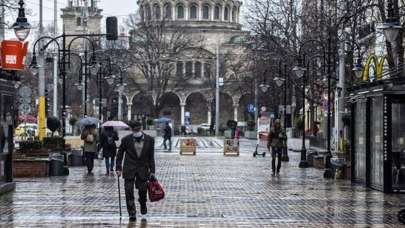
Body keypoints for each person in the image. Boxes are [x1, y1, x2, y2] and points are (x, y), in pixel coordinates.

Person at [116, 120, 156, 222]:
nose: (136, 131)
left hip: (143, 169)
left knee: (143, 190)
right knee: (128, 191)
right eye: (134, 129)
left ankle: (143, 204)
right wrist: (118, 168)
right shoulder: (126, 140)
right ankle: (132, 213)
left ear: (141, 128)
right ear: (131, 130)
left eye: (137, 129)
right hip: (129, 169)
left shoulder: (150, 140)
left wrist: (152, 171)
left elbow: (151, 157)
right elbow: (120, 154)